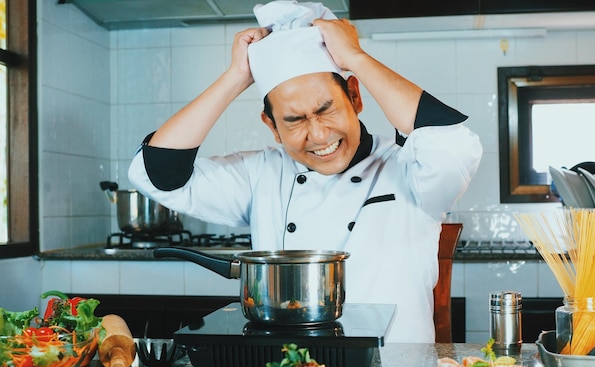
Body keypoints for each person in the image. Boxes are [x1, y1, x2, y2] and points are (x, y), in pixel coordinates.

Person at [128, 1, 482, 343]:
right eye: (294, 120)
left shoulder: (408, 167)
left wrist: (355, 58)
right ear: (271, 125)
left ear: (355, 97)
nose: (318, 135)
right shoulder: (261, 173)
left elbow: (454, 148)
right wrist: (235, 77)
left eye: (326, 110)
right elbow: (157, 173)